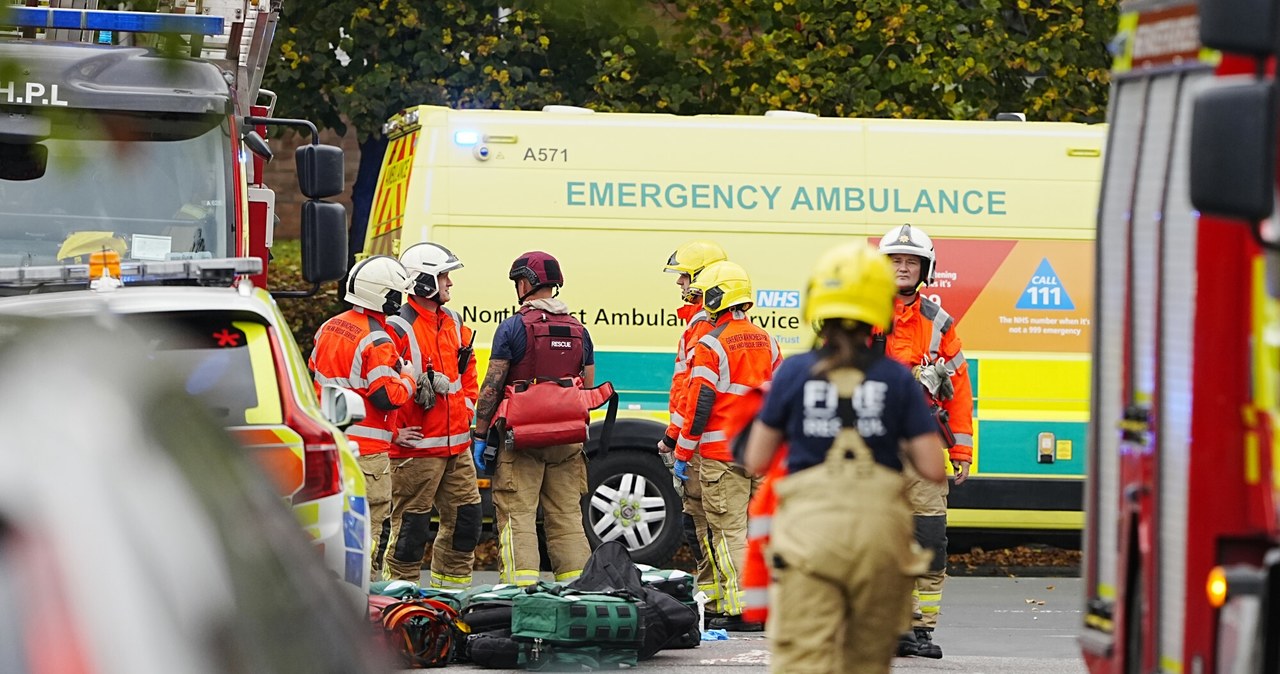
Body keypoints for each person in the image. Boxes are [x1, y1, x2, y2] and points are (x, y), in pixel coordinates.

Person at [743, 242, 946, 674]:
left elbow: (757, 458)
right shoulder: (896, 377)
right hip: (879, 537)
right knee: (866, 662)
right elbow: (931, 467)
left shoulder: (795, 372)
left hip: (809, 536)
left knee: (803, 658)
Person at [877, 223, 974, 659]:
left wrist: (962, 450)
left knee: (929, 538)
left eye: (910, 261)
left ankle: (921, 630)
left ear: (925, 269)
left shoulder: (939, 323)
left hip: (924, 449)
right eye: (895, 260)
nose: (902, 267)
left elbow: (960, 390)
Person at [470, 251, 595, 585]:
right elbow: (589, 386)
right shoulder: (579, 331)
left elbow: (492, 387)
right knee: (567, 517)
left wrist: (480, 435)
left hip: (520, 438)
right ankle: (578, 591)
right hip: (567, 440)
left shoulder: (512, 328)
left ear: (525, 283)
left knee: (517, 515)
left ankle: (520, 592)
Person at [673, 259, 781, 631]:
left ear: (718, 298)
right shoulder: (768, 340)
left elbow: (699, 403)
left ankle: (744, 610)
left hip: (722, 454)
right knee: (756, 532)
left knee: (728, 531)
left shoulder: (711, 343)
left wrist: (683, 453)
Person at [309, 255, 418, 581]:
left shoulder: (330, 326)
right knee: (370, 524)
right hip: (367, 456)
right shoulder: (379, 339)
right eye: (397, 293)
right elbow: (386, 396)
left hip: (330, 443)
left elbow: (316, 373)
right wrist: (409, 378)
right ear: (383, 295)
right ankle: (363, 591)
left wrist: (393, 433)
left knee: (333, 523)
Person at [383, 242, 482, 588]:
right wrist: (394, 433)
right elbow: (378, 386)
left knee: (467, 523)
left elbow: (467, 373)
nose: (450, 283)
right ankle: (398, 604)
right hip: (416, 451)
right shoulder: (398, 327)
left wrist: (467, 411)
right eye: (444, 276)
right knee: (410, 533)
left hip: (457, 447)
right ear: (424, 281)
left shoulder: (453, 321)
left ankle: (451, 599)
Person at [659, 239, 729, 618]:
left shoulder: (704, 324)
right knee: (702, 523)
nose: (680, 284)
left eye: (684, 277)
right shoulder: (700, 322)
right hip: (698, 438)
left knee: (704, 523)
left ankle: (719, 600)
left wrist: (677, 439)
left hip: (702, 443)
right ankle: (713, 599)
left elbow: (696, 391)